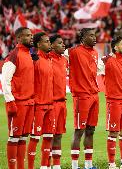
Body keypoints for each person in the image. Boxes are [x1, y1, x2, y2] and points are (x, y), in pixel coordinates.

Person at [101, 36, 122, 169]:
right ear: (115, 47)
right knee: (113, 132)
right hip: (114, 102)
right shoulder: (106, 61)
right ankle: (111, 164)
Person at [2, 27, 34, 169]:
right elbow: (5, 80)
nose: (31, 37)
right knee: (14, 137)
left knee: (23, 137)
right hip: (18, 103)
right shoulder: (14, 55)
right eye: (27, 35)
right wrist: (10, 101)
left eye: (31, 35)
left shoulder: (28, 54)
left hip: (29, 102)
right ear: (19, 38)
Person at [68, 28, 100, 169]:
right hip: (81, 96)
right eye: (91, 35)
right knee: (79, 131)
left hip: (94, 95)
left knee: (91, 130)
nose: (94, 38)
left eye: (95, 35)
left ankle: (88, 165)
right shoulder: (73, 52)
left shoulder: (95, 52)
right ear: (82, 37)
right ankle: (75, 166)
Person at [27, 32, 54, 169]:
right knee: (35, 137)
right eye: (46, 42)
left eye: (49, 41)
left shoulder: (49, 60)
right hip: (38, 105)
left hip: (51, 105)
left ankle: (45, 167)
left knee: (49, 137)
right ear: (38, 44)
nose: (49, 44)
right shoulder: (34, 60)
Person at [49, 34, 67, 169]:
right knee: (50, 136)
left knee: (59, 135)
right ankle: (46, 165)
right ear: (52, 45)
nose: (63, 45)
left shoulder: (64, 60)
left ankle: (56, 165)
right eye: (60, 43)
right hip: (51, 103)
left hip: (62, 102)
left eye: (63, 43)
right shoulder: (47, 59)